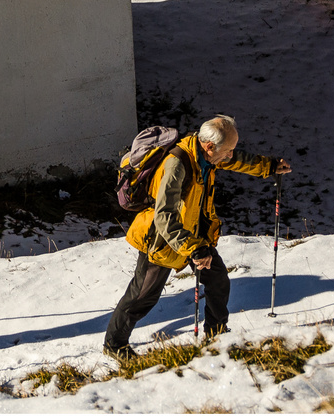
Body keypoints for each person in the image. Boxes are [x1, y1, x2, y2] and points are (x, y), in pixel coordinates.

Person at [103, 114, 291, 356]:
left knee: (218, 280)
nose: (231, 155)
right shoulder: (177, 164)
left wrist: (268, 166)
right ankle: (114, 345)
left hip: (195, 234)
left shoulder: (207, 154)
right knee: (142, 296)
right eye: (228, 150)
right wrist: (193, 248)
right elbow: (164, 217)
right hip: (164, 239)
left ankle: (216, 336)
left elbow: (237, 161)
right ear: (210, 146)